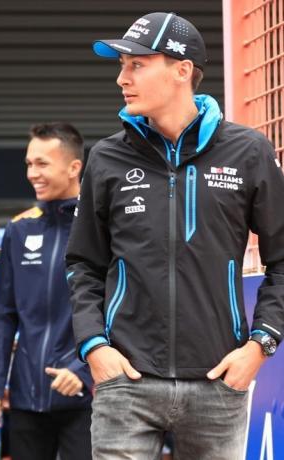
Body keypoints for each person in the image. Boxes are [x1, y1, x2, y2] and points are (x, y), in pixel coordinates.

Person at [67, 12, 284, 459]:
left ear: (182, 70)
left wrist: (260, 345)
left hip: (219, 382)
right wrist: (94, 346)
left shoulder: (248, 152)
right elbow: (83, 264)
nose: (122, 79)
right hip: (126, 381)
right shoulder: (105, 158)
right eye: (122, 66)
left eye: (136, 65)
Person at [0, 123, 92, 460]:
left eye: (42, 163)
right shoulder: (19, 229)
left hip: (85, 397)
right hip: (26, 400)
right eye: (29, 164)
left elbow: (121, 308)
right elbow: (1, 315)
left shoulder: (99, 226)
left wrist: (83, 370)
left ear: (74, 167)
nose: (32, 174)